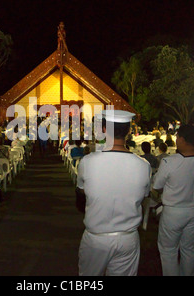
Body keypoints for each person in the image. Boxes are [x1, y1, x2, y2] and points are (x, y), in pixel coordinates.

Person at [76, 110, 151, 276]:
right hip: (127, 237)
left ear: (104, 129)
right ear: (129, 131)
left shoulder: (88, 162)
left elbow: (81, 192)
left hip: (96, 237)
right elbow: (145, 196)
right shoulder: (143, 165)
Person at [153, 124, 194, 276]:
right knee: (190, 249)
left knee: (168, 251)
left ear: (181, 139)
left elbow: (157, 185)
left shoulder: (170, 162)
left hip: (174, 211)